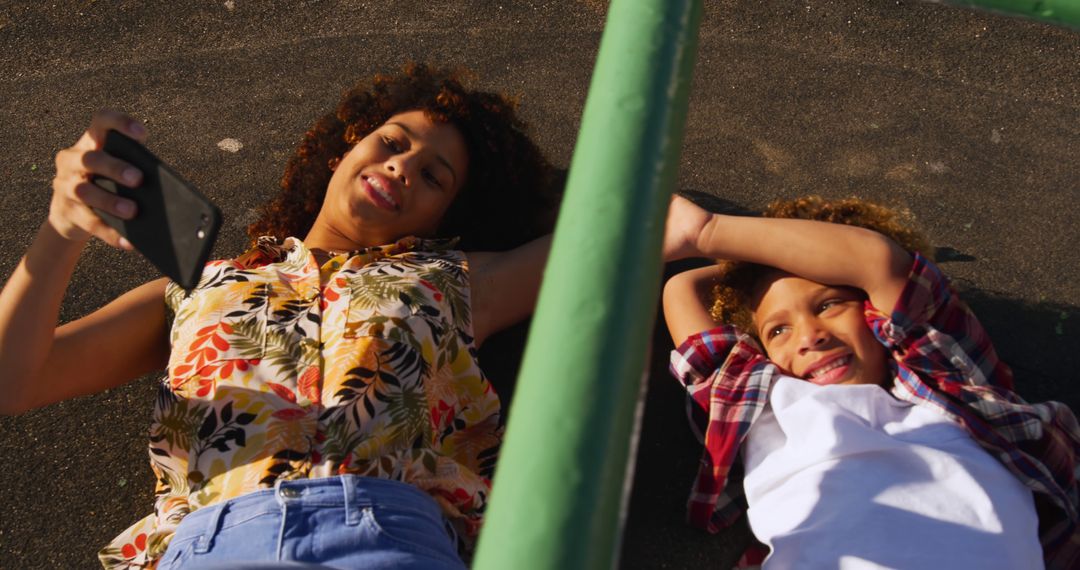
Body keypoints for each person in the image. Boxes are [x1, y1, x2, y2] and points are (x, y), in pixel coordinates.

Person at [0, 64, 559, 569]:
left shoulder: (458, 278)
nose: (402, 163)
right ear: (344, 151)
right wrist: (62, 230)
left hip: (388, 541)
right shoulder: (197, 285)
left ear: (445, 216)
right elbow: (14, 381)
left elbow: (619, 236)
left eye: (434, 176)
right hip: (213, 545)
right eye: (392, 140)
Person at [661, 194, 1080, 569]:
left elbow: (877, 263)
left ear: (874, 315)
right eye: (777, 331)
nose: (809, 337)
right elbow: (683, 290)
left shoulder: (944, 388)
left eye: (829, 305)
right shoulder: (768, 401)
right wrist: (742, 269)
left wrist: (707, 232)